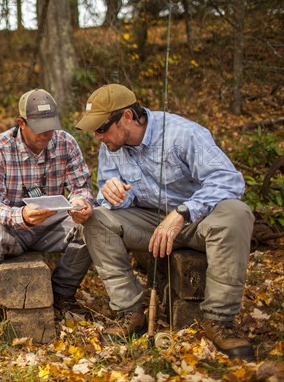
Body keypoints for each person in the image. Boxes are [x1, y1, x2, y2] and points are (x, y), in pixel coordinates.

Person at [74, 84, 255, 361]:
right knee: (96, 220)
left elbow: (229, 180)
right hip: (149, 221)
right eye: (94, 131)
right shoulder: (111, 145)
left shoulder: (183, 134)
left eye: (101, 128)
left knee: (237, 213)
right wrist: (111, 194)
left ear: (126, 117)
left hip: (199, 220)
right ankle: (130, 311)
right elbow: (112, 198)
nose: (97, 137)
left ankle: (220, 320)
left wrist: (183, 211)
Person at [0, 88, 95, 334]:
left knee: (95, 224)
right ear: (21, 123)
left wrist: (81, 203)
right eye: (40, 128)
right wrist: (21, 217)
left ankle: (62, 292)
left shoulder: (65, 142)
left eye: (51, 126)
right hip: (12, 229)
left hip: (53, 226)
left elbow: (80, 186)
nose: (47, 134)